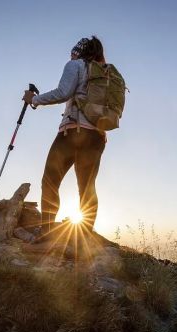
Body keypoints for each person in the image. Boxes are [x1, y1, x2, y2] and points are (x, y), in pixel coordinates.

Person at [23, 36, 107, 241]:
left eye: (73, 51)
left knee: (50, 181)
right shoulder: (104, 74)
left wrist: (33, 99)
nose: (70, 54)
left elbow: (63, 92)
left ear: (79, 51)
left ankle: (47, 233)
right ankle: (85, 236)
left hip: (72, 132)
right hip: (97, 137)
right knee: (87, 187)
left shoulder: (75, 65)